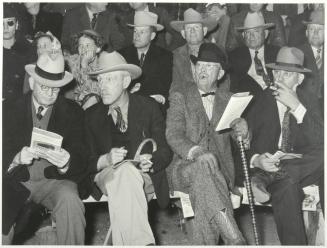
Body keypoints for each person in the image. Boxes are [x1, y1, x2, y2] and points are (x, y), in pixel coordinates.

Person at [84, 51, 172, 245]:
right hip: (107, 175)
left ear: (125, 82)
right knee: (124, 173)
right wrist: (106, 159)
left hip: (143, 177)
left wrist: (152, 160)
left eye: (109, 79)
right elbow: (85, 161)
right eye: (99, 80)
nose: (102, 86)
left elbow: (165, 151)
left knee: (127, 176)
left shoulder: (148, 107)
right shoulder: (91, 116)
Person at [166, 43, 247, 245]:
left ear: (220, 74)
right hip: (184, 168)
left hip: (220, 174)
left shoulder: (229, 100)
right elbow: (173, 134)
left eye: (209, 66)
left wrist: (244, 131)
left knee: (205, 195)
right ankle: (235, 238)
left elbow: (241, 144)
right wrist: (196, 151)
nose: (202, 69)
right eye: (199, 65)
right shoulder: (180, 96)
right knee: (202, 170)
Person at [2, 53, 88, 244]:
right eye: (44, 87)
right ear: (32, 83)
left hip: (54, 182)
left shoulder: (73, 111)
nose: (50, 93)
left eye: (55, 89)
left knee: (70, 201)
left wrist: (66, 163)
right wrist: (16, 158)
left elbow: (82, 154)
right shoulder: (8, 109)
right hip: (17, 179)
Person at [246, 47, 323, 245]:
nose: (279, 78)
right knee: (287, 186)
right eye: (277, 72)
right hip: (273, 165)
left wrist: (297, 108)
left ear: (300, 79)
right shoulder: (262, 99)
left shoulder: (311, 101)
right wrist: (257, 160)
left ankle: (273, 177)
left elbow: (320, 140)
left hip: (306, 166)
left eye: (287, 74)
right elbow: (243, 141)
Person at [119, 11, 172, 114]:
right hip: (127, 110)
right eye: (135, 31)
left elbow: (165, 87)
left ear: (152, 36)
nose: (137, 36)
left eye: (142, 32)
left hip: (154, 111)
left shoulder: (165, 57)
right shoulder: (121, 55)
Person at [229, 12, 280, 97]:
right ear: (243, 35)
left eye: (256, 31)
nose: (251, 36)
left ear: (266, 34)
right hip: (250, 99)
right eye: (247, 32)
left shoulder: (277, 53)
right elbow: (234, 87)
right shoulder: (234, 56)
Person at [169, 8, 219, 93]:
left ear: (204, 31)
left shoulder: (217, 52)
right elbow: (175, 87)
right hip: (185, 101)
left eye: (196, 27)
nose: (192, 31)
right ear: (183, 34)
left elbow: (224, 84)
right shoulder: (175, 55)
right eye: (188, 28)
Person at [64, 29, 104, 109]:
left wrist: (84, 65)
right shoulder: (73, 60)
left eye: (88, 45)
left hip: (94, 106)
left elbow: (95, 91)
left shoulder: (102, 65)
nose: (83, 49)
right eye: (80, 46)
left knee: (93, 98)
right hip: (73, 102)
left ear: (98, 48)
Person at [3, 3, 35, 101]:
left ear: (16, 25)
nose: (5, 28)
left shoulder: (28, 50)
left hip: (20, 104)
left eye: (10, 23)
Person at [298, 9, 324, 114]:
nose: (316, 33)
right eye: (312, 29)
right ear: (306, 33)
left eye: (320, 29)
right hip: (304, 108)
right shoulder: (296, 53)